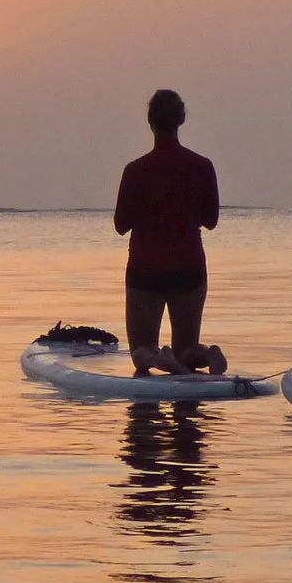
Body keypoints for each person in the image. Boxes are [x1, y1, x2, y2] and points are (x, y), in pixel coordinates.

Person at [114, 89, 226, 376]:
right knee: (187, 349)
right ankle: (208, 354)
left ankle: (157, 359)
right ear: (181, 120)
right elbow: (211, 221)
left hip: (145, 270)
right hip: (189, 268)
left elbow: (120, 225)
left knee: (141, 349)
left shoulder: (136, 170)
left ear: (150, 122)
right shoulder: (202, 167)